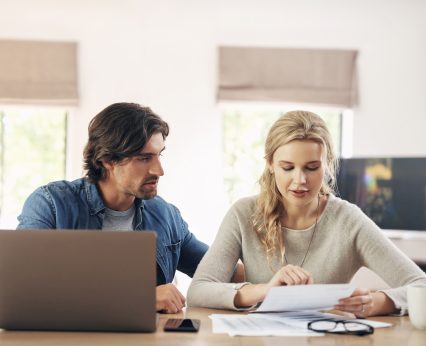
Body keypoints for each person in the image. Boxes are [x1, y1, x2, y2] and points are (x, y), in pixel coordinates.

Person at [187, 110, 426, 317]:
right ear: (270, 163)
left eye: (312, 168)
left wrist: (379, 302)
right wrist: (265, 290)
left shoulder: (349, 220)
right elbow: (199, 290)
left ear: (327, 163)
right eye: (287, 167)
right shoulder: (243, 214)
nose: (300, 180)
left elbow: (421, 285)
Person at [17, 102, 208, 314]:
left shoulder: (166, 215)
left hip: (148, 343)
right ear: (108, 160)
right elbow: (25, 290)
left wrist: (251, 283)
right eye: (144, 158)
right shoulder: (50, 205)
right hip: (68, 342)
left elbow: (217, 269)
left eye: (159, 155)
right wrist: (142, 298)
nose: (159, 170)